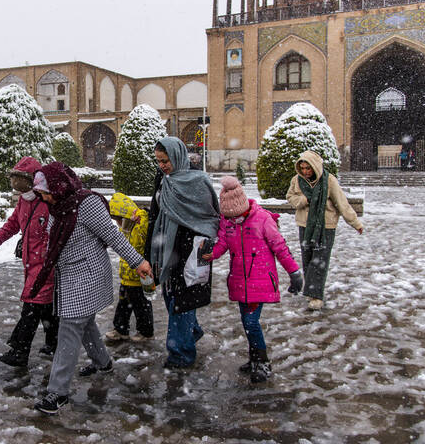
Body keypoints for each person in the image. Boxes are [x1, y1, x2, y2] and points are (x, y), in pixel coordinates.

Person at [27, 162, 152, 414]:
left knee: (70, 327)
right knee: (84, 323)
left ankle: (58, 392)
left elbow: (113, 235)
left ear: (59, 185)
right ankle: (103, 363)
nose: (44, 197)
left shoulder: (87, 204)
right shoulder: (57, 205)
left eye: (45, 192)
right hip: (69, 275)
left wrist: (138, 262)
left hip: (88, 275)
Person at [202, 176, 303, 383]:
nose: (233, 221)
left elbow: (280, 248)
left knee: (250, 321)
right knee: (247, 322)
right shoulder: (228, 220)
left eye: (236, 216)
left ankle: (262, 362)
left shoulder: (262, 219)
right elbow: (223, 242)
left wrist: (294, 273)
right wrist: (212, 254)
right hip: (239, 280)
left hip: (260, 281)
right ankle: (254, 357)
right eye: (229, 218)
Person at [147, 137, 220, 369]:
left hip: (190, 247)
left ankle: (181, 353)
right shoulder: (163, 180)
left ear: (177, 156)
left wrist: (201, 243)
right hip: (166, 246)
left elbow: (210, 216)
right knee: (171, 297)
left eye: (165, 160)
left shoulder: (197, 181)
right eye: (159, 161)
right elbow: (155, 212)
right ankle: (191, 332)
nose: (162, 165)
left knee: (183, 301)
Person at [0, 157, 58, 367]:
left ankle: (20, 351)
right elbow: (12, 224)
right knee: (46, 308)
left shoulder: (46, 202)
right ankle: (53, 343)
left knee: (31, 307)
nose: (18, 187)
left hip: (44, 266)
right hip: (30, 262)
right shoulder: (23, 202)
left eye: (22, 182)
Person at [286, 150, 364, 311]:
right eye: (303, 168)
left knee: (320, 261)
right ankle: (311, 289)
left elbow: (342, 203)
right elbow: (290, 197)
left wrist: (355, 222)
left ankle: (316, 295)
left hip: (325, 226)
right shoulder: (297, 180)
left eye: (308, 168)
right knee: (308, 259)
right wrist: (303, 200)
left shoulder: (329, 181)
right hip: (305, 225)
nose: (306, 171)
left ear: (315, 167)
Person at [104, 193, 154, 343]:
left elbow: (137, 247)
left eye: (118, 219)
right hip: (127, 275)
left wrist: (132, 225)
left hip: (138, 275)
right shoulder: (128, 225)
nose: (117, 223)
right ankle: (121, 329)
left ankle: (146, 331)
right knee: (124, 303)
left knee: (141, 305)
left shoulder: (140, 223)